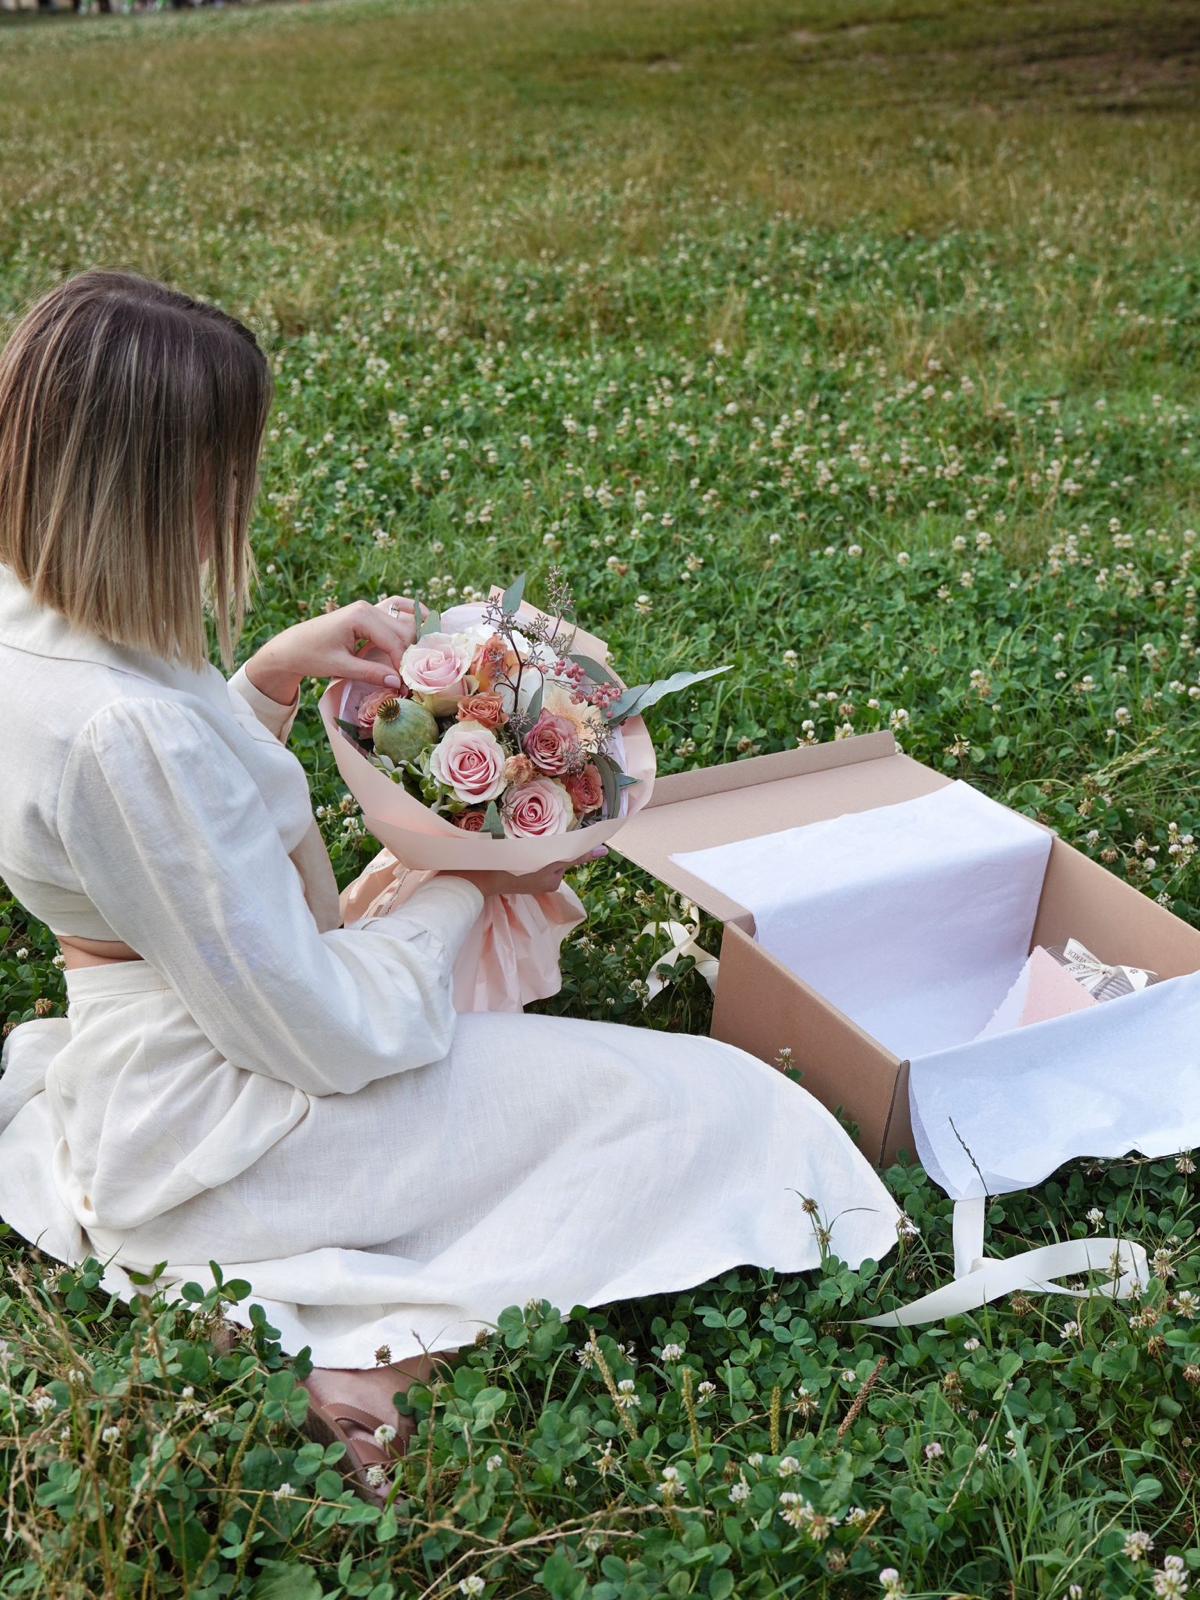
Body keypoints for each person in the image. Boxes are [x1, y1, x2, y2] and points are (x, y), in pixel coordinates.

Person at [0, 270, 902, 1500]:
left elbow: (164, 846)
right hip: (221, 1124)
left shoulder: (41, 622)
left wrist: (261, 682)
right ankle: (386, 1353)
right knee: (714, 1112)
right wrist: (468, 873)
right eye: (224, 469)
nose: (232, 497)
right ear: (157, 484)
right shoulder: (117, 732)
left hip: (176, 1046)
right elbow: (318, 1029)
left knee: (557, 1082)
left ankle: (332, 1290)